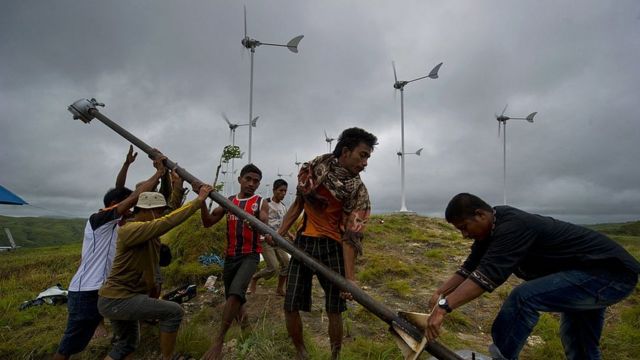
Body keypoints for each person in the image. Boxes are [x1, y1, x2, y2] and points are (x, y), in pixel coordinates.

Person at [426, 193, 640, 360]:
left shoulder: (513, 227)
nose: (464, 235)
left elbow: (487, 276)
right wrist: (440, 292)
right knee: (579, 342)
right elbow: (471, 267)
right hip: (587, 274)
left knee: (523, 298)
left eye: (464, 227)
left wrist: (444, 306)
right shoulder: (492, 227)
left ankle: (502, 357)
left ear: (481, 215)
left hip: (609, 274)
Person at [53, 146, 167, 360]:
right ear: (116, 205)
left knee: (127, 342)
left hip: (113, 291)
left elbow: (123, 192)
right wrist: (159, 172)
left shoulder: (123, 226)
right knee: (69, 347)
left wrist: (130, 166)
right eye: (129, 206)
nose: (133, 211)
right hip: (87, 291)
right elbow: (129, 195)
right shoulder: (99, 220)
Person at [277, 127, 378, 360]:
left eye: (368, 158)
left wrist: (349, 279)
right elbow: (299, 204)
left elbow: (351, 237)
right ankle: (301, 352)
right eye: (363, 155)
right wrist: (280, 232)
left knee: (335, 309)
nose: (365, 163)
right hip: (303, 243)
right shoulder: (314, 170)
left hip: (334, 248)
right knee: (290, 304)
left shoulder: (358, 192)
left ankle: (335, 355)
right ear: (345, 151)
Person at [97, 183, 213, 360]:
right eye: (158, 211)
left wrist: (177, 184)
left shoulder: (147, 232)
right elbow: (167, 222)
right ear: (144, 210)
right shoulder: (130, 229)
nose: (160, 216)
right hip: (118, 299)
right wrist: (199, 201)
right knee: (174, 312)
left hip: (121, 298)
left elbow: (171, 215)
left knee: (126, 345)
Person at [201, 164, 270, 360]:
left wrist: (255, 220)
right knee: (234, 299)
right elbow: (207, 222)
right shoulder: (228, 202)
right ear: (239, 179)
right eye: (248, 179)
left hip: (250, 255)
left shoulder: (259, 202)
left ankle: (218, 342)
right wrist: (201, 202)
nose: (251, 184)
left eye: (256, 181)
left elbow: (264, 224)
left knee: (234, 293)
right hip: (230, 257)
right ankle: (248, 332)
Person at [248, 179, 292, 296]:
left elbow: (282, 224)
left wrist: (291, 234)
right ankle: (254, 278)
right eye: (280, 190)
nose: (283, 193)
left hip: (279, 240)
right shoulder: (265, 203)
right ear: (274, 190)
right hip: (266, 240)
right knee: (273, 267)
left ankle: (279, 289)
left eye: (285, 191)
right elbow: (258, 222)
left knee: (287, 265)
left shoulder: (283, 207)